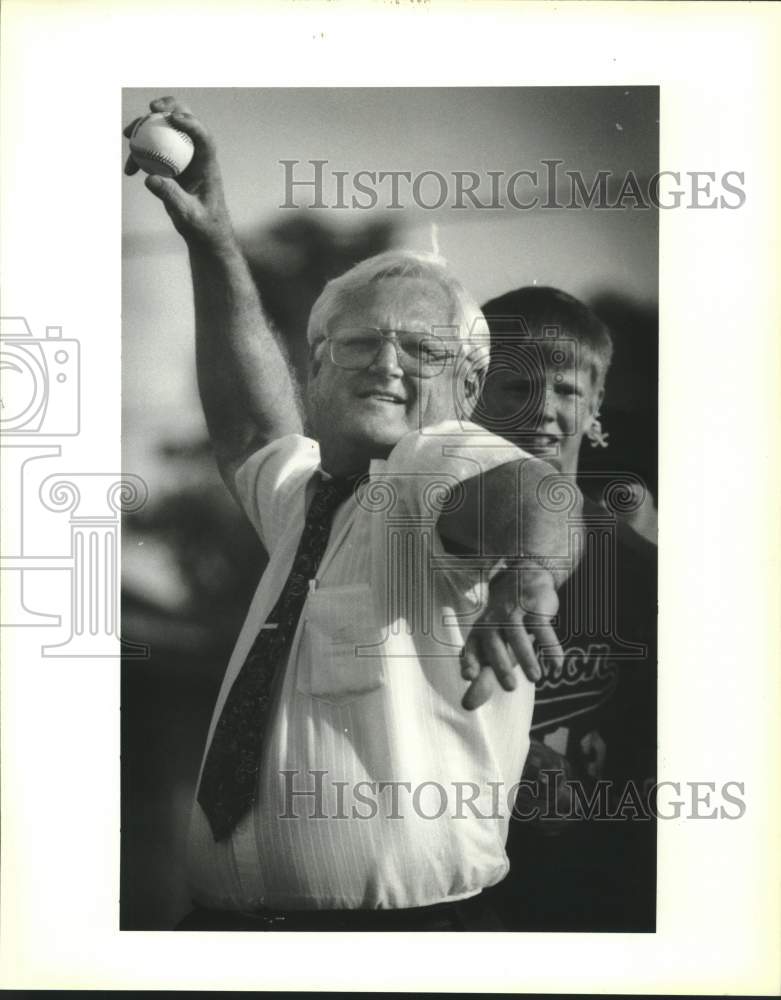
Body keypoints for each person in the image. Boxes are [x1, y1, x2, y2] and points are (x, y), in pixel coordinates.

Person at [124, 98, 583, 931]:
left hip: (394, 945)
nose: (388, 365)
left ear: (468, 391)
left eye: (423, 350)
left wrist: (527, 576)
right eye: (359, 343)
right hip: (222, 934)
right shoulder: (310, 500)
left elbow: (537, 495)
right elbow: (251, 427)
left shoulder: (435, 458)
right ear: (318, 367)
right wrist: (214, 238)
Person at [476, 286, 657, 931]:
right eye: (513, 387)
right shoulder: (420, 550)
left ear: (597, 406)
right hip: (452, 907)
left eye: (567, 391)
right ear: (470, 392)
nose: (541, 412)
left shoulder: (643, 571)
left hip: (601, 906)